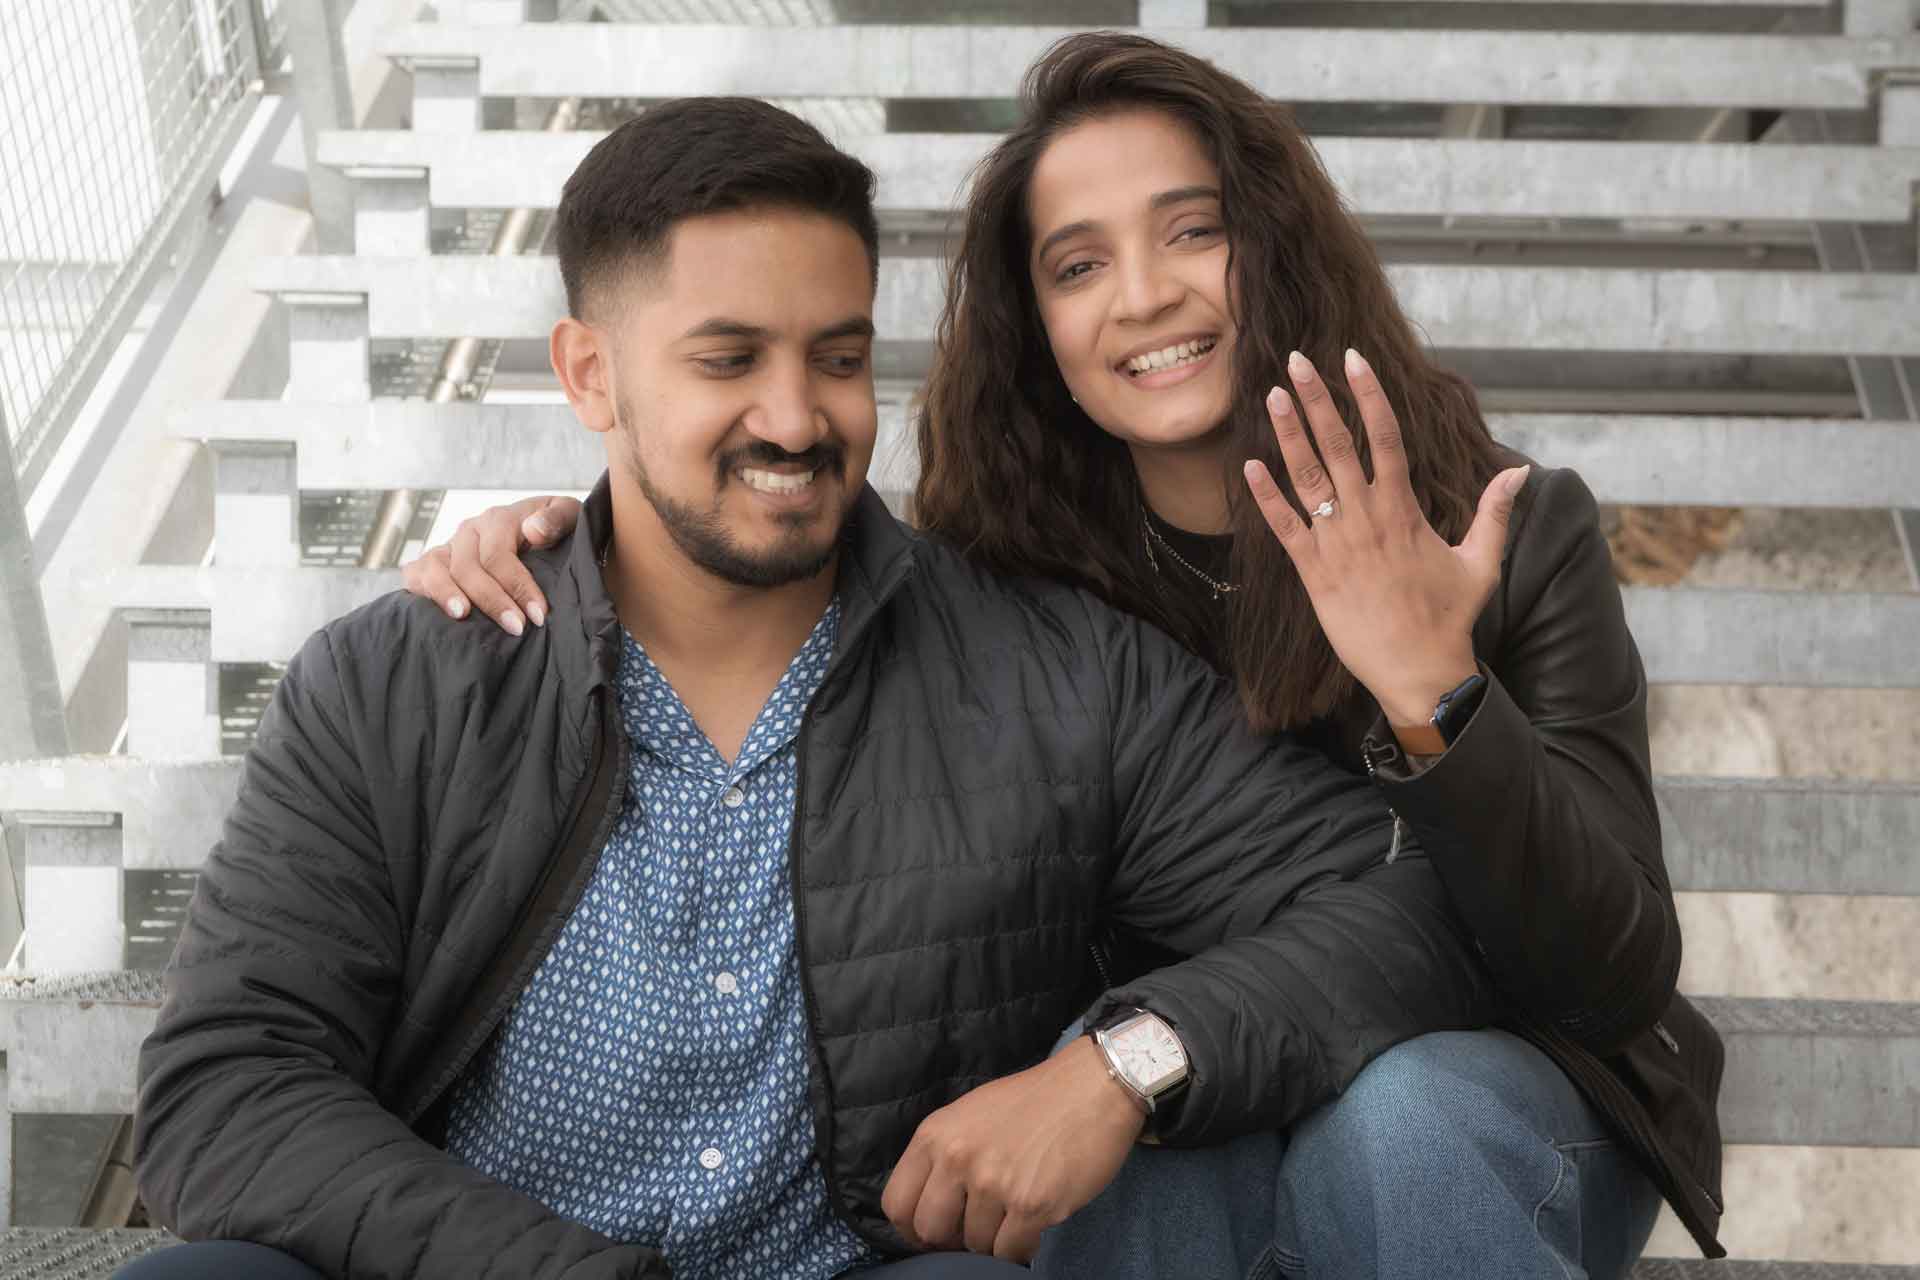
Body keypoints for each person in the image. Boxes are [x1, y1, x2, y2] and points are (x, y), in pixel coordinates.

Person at [409, 33, 1727, 1280]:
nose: (1145, 295)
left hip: (1496, 1105)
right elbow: (734, 553)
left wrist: (1436, 690)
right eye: (1077, 265)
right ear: (1034, 319)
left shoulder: (1495, 524)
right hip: (1185, 1094)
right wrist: (559, 543)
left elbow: (1606, 975)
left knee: (1395, 1121)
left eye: (1193, 232)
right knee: (1138, 1156)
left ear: (1273, 243)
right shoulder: (1010, 582)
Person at [126, 96, 1500, 1280]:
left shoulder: (1054, 675)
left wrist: (1126, 1063)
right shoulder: (399, 680)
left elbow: (1399, 904)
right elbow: (227, 1087)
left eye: (838, 358)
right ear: (590, 372)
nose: (795, 417)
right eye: (728, 360)